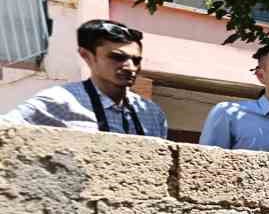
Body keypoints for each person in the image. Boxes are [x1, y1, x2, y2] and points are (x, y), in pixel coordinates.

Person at [0, 20, 167, 137]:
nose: (131, 67)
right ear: (87, 56)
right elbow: (5, 130)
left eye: (136, 60)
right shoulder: (60, 101)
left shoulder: (152, 113)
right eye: (117, 57)